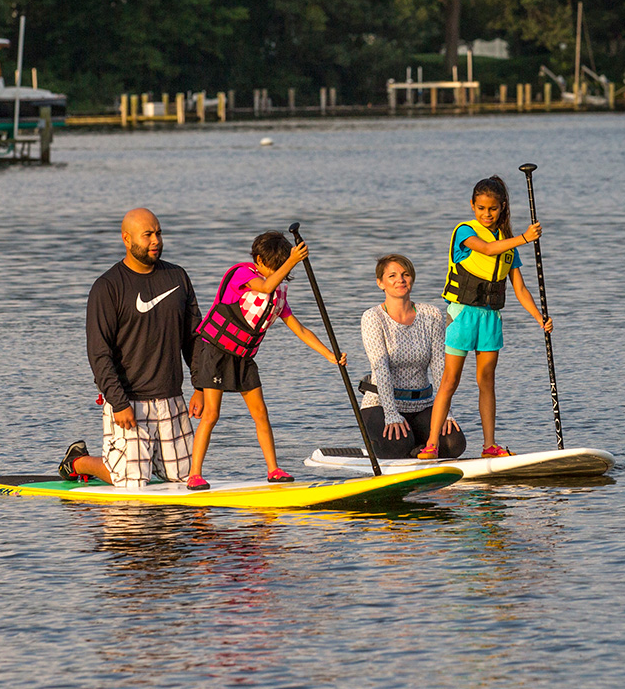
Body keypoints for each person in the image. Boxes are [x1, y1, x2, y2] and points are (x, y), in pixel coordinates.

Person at [186, 230, 346, 490]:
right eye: (273, 265)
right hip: (215, 352)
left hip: (243, 357)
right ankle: (194, 474)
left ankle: (273, 469)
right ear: (259, 260)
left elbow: (301, 329)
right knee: (212, 414)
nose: (276, 271)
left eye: (280, 265)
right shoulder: (242, 274)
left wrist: (330, 355)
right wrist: (292, 261)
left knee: (261, 413)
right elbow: (264, 286)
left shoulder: (279, 294)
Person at [57, 208, 202, 487]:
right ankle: (77, 461)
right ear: (126, 239)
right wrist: (119, 402)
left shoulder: (178, 277)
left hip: (172, 398)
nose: (156, 240)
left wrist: (201, 386)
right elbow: (99, 353)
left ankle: (141, 460)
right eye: (147, 235)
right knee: (131, 483)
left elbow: (194, 338)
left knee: (185, 479)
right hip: (128, 402)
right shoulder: (107, 287)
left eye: (158, 233)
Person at [418, 176, 553, 460]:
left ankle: (489, 446)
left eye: (492, 209)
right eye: (481, 208)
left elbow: (520, 288)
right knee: (450, 380)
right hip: (463, 315)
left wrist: (540, 318)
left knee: (486, 380)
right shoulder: (465, 231)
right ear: (472, 206)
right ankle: (431, 444)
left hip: (491, 319)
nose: (486, 214)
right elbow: (487, 249)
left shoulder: (508, 245)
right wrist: (526, 237)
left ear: (502, 207)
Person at [359, 254, 466, 459]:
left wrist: (446, 412)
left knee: (454, 444)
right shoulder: (372, 317)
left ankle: (419, 447)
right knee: (397, 446)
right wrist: (391, 414)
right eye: (392, 276)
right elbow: (381, 368)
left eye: (405, 274)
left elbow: (439, 368)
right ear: (380, 283)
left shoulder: (431, 314)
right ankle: (405, 445)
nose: (400, 279)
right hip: (382, 404)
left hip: (423, 404)